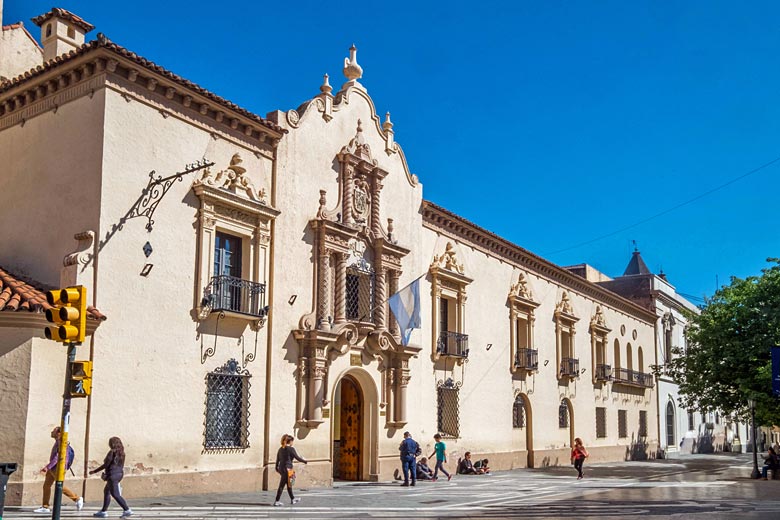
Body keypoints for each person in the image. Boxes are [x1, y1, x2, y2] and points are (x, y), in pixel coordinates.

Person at [34, 426, 84, 514]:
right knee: (46, 486)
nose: (51, 432)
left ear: (59, 433)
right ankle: (45, 506)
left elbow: (57, 457)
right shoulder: (58, 442)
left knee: (59, 486)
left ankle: (77, 499)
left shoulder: (61, 443)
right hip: (53, 467)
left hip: (58, 468)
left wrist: (47, 467)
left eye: (54, 431)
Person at [89, 436, 132, 518]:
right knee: (107, 491)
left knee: (115, 494)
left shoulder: (112, 452)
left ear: (112, 444)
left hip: (113, 475)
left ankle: (127, 510)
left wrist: (94, 471)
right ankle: (103, 511)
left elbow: (106, 465)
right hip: (119, 474)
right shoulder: (122, 453)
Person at [274, 434, 307, 506]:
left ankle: (293, 499)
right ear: (290, 441)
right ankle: (277, 501)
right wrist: (305, 461)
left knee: (289, 484)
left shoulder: (280, 449)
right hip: (288, 469)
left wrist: (276, 468)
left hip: (281, 469)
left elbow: (277, 460)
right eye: (292, 441)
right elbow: (297, 458)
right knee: (282, 485)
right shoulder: (291, 449)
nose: (293, 443)